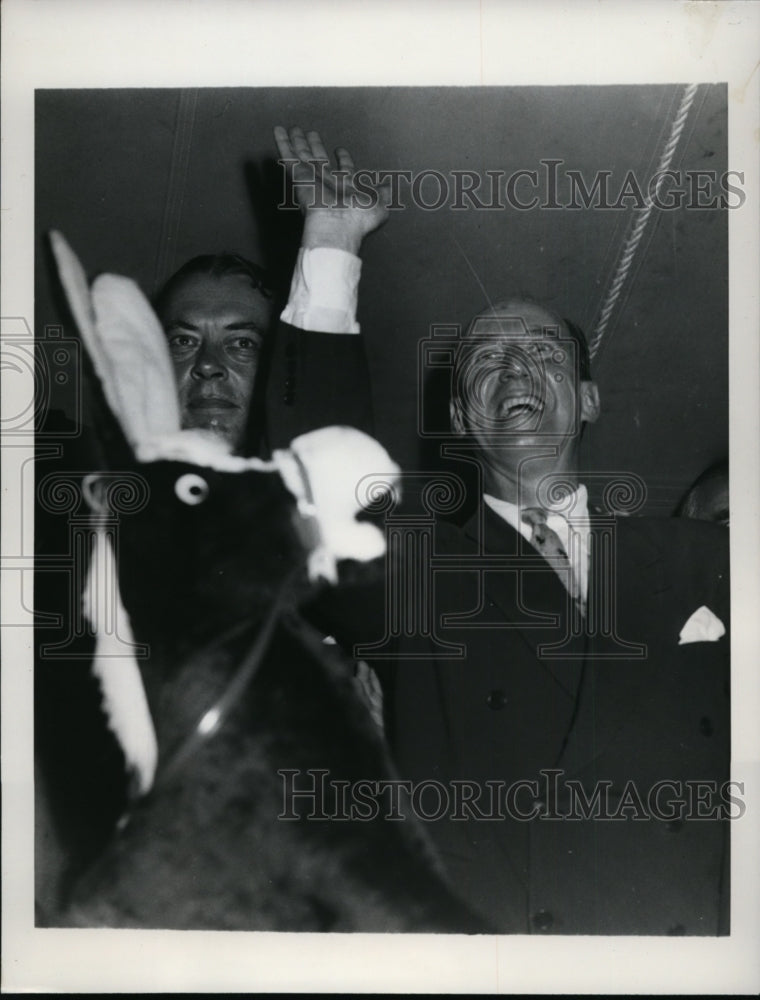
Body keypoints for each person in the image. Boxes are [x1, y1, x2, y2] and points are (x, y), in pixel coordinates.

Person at [272, 126, 732, 936]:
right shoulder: (424, 571)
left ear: (589, 400)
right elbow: (317, 494)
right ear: (459, 417)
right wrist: (333, 241)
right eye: (485, 360)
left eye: (542, 353)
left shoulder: (705, 559)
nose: (515, 370)